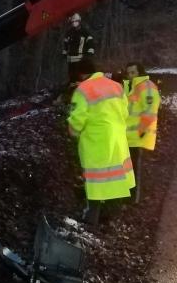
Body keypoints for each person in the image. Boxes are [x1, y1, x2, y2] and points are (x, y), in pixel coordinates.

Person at [67, 59, 135, 225]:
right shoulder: (116, 86)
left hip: (96, 143)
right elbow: (126, 112)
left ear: (81, 75)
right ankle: (110, 220)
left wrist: (73, 132)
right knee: (116, 179)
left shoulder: (83, 89)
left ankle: (90, 222)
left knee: (95, 183)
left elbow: (77, 120)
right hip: (118, 140)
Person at [124, 62, 161, 203]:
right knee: (130, 168)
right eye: (128, 73)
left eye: (133, 72)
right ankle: (129, 197)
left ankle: (134, 199)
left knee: (135, 169)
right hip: (129, 137)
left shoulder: (147, 87)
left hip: (138, 137)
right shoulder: (133, 87)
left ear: (140, 72)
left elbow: (150, 112)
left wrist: (141, 132)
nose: (130, 75)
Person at [62, 13, 96, 84]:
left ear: (79, 21)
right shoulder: (69, 32)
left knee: (79, 77)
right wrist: (64, 52)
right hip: (70, 59)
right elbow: (65, 43)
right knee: (72, 77)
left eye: (76, 21)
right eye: (73, 22)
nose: (74, 23)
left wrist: (89, 53)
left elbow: (90, 42)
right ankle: (72, 87)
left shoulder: (84, 32)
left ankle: (79, 87)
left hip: (80, 59)